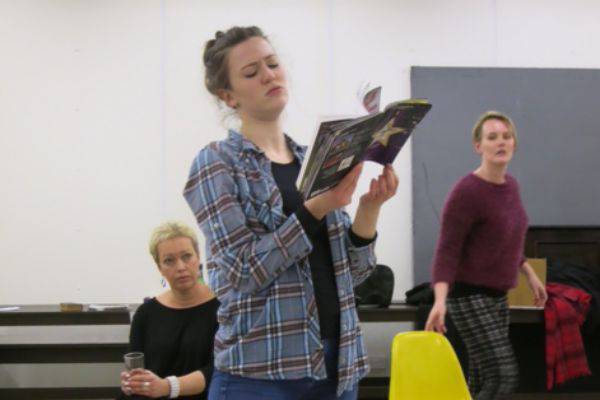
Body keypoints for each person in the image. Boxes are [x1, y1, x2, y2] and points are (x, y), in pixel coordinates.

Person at [183, 26, 398, 400]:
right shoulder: (217, 162)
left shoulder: (312, 158)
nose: (269, 75)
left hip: (338, 367)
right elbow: (242, 271)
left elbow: (355, 275)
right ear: (228, 96)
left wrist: (369, 210)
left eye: (272, 64)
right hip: (259, 375)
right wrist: (316, 209)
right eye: (251, 72)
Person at [425, 111, 548, 399]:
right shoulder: (466, 192)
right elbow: (447, 250)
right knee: (503, 375)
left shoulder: (511, 186)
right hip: (468, 296)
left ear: (514, 143)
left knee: (482, 379)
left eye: (506, 136)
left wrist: (529, 274)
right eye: (492, 137)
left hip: (497, 297)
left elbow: (505, 240)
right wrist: (440, 301)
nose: (501, 142)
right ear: (478, 146)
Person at [118, 221, 218, 399]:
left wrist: (167, 387)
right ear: (159, 268)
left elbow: (219, 372)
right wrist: (132, 382)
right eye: (169, 260)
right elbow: (136, 368)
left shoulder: (223, 309)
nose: (180, 267)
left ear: (198, 258)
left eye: (187, 256)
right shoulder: (145, 314)